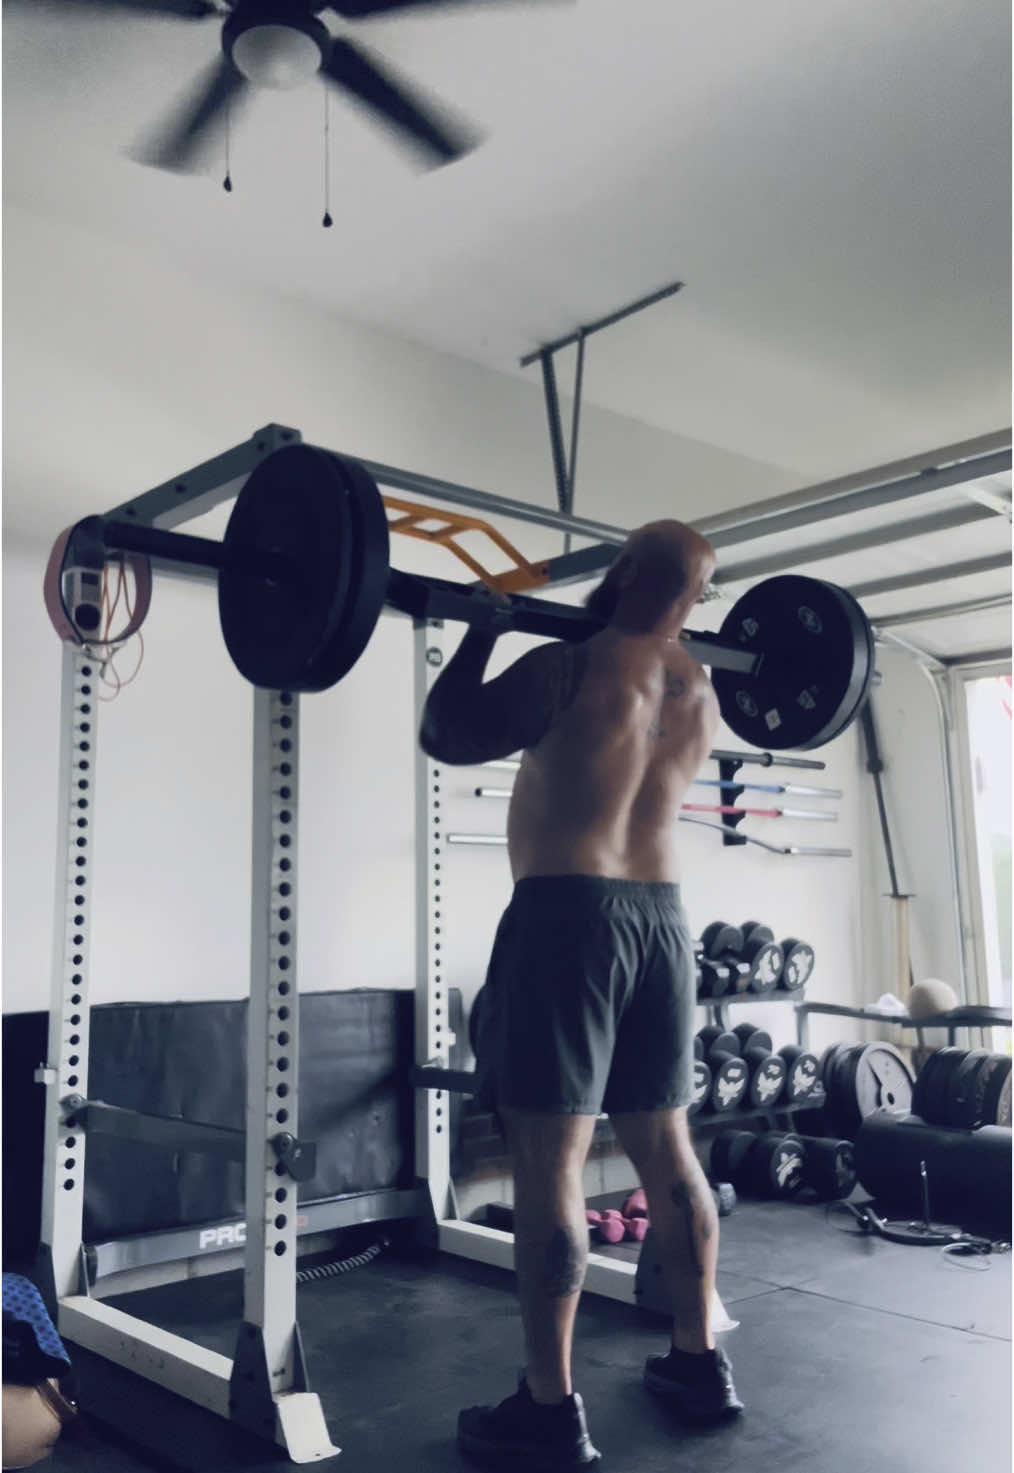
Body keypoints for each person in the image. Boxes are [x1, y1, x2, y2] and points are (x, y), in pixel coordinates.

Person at [419, 520, 743, 1470]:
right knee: (668, 1148)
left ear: (627, 572)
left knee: (551, 1162)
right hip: (664, 921)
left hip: (569, 916)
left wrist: (482, 628)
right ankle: (698, 1363)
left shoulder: (569, 666)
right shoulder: (701, 690)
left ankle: (549, 1407)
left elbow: (447, 731)